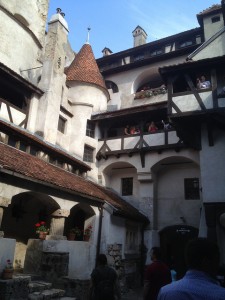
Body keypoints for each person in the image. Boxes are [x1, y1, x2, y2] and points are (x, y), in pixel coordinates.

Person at [157, 238, 225, 300]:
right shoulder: (221, 295)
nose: (218, 265)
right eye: (217, 260)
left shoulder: (165, 292)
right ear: (206, 262)